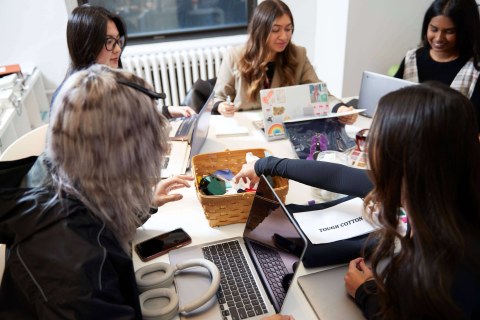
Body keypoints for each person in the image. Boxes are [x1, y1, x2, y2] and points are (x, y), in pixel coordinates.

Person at [0, 65, 293, 320]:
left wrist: (141, 204)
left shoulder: (57, 174)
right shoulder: (74, 274)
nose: (163, 150)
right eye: (152, 145)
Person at [235, 82, 480, 319]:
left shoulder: (444, 272)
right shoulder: (445, 190)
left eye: (377, 138)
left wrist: (366, 294)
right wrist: (264, 164)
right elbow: (339, 175)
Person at [213, 0, 357, 125]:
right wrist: (222, 106)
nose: (284, 36)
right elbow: (218, 98)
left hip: (283, 128)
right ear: (260, 31)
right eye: (276, 30)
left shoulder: (298, 55)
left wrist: (340, 109)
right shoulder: (235, 56)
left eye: (288, 29)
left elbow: (318, 94)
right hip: (246, 128)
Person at [54, 4, 195, 118]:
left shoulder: (103, 82)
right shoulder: (76, 101)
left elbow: (130, 116)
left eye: (118, 41)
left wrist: (167, 111)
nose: (118, 50)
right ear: (86, 45)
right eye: (109, 41)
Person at [394, 0, 480, 131]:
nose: (439, 38)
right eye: (434, 29)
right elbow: (392, 101)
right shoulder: (411, 58)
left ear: (465, 32)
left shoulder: (475, 69)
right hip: (407, 139)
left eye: (449, 32)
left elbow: (474, 126)